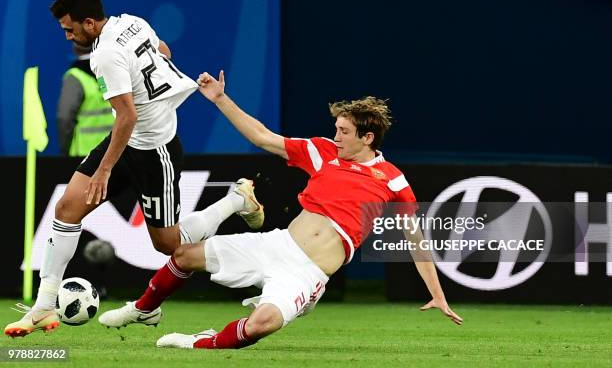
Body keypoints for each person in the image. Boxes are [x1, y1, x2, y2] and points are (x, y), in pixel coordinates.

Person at [97, 71, 463, 350]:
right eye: (336, 129)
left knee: (261, 325)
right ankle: (145, 308)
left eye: (344, 132)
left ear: (367, 138)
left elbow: (416, 239)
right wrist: (221, 99)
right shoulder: (322, 151)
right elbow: (261, 137)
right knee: (183, 254)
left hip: (308, 273)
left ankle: (196, 342)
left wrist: (438, 294)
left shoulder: (392, 180)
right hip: (278, 245)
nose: (335, 136)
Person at [4, 0, 263, 337]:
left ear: (91, 23)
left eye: (70, 29)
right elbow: (163, 52)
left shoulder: (104, 55)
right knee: (67, 208)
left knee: (169, 245)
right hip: (125, 141)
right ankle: (44, 305)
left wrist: (104, 170)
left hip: (154, 151)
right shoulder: (133, 23)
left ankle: (236, 200)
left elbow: (126, 116)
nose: (67, 36)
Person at [57, 43, 115, 156]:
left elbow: (65, 118)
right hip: (113, 151)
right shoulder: (111, 72)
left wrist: (65, 150)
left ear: (75, 48)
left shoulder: (75, 77)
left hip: (84, 153)